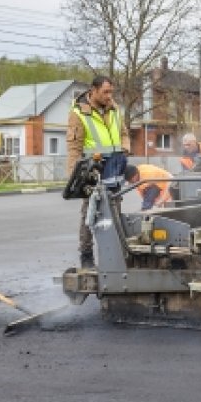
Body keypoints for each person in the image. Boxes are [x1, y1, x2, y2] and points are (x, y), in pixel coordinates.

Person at [67, 75, 130, 268]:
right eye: (105, 92)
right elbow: (74, 147)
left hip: (115, 167)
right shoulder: (79, 113)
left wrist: (125, 148)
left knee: (116, 210)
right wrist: (74, 177)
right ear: (93, 90)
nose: (109, 96)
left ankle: (118, 256)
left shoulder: (115, 109)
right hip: (94, 168)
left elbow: (124, 133)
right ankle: (86, 256)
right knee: (90, 213)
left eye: (111, 92)